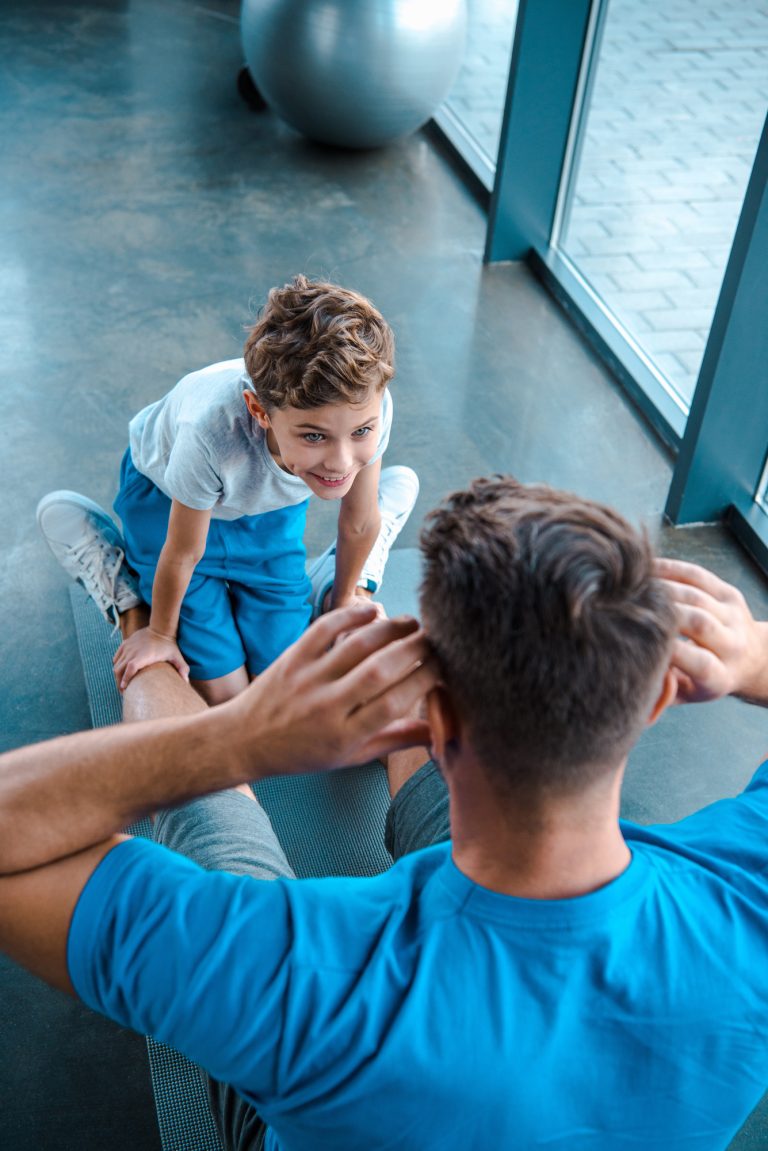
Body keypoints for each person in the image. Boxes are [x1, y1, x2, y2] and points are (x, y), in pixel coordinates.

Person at [3, 476, 768, 1150]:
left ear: (430, 716)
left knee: (214, 823)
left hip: (324, 1038)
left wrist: (235, 738)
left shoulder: (290, 974)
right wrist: (751, 655)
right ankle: (352, 594)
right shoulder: (747, 900)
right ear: (663, 695)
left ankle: (139, 624)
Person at [36, 275, 419, 704]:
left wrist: (346, 600)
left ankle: (334, 581)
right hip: (170, 506)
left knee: (282, 680)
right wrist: (161, 634)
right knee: (227, 694)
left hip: (263, 505)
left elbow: (360, 519)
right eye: (314, 436)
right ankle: (128, 589)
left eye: (361, 432)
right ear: (260, 411)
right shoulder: (209, 433)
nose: (341, 462)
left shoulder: (371, 403)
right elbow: (183, 552)